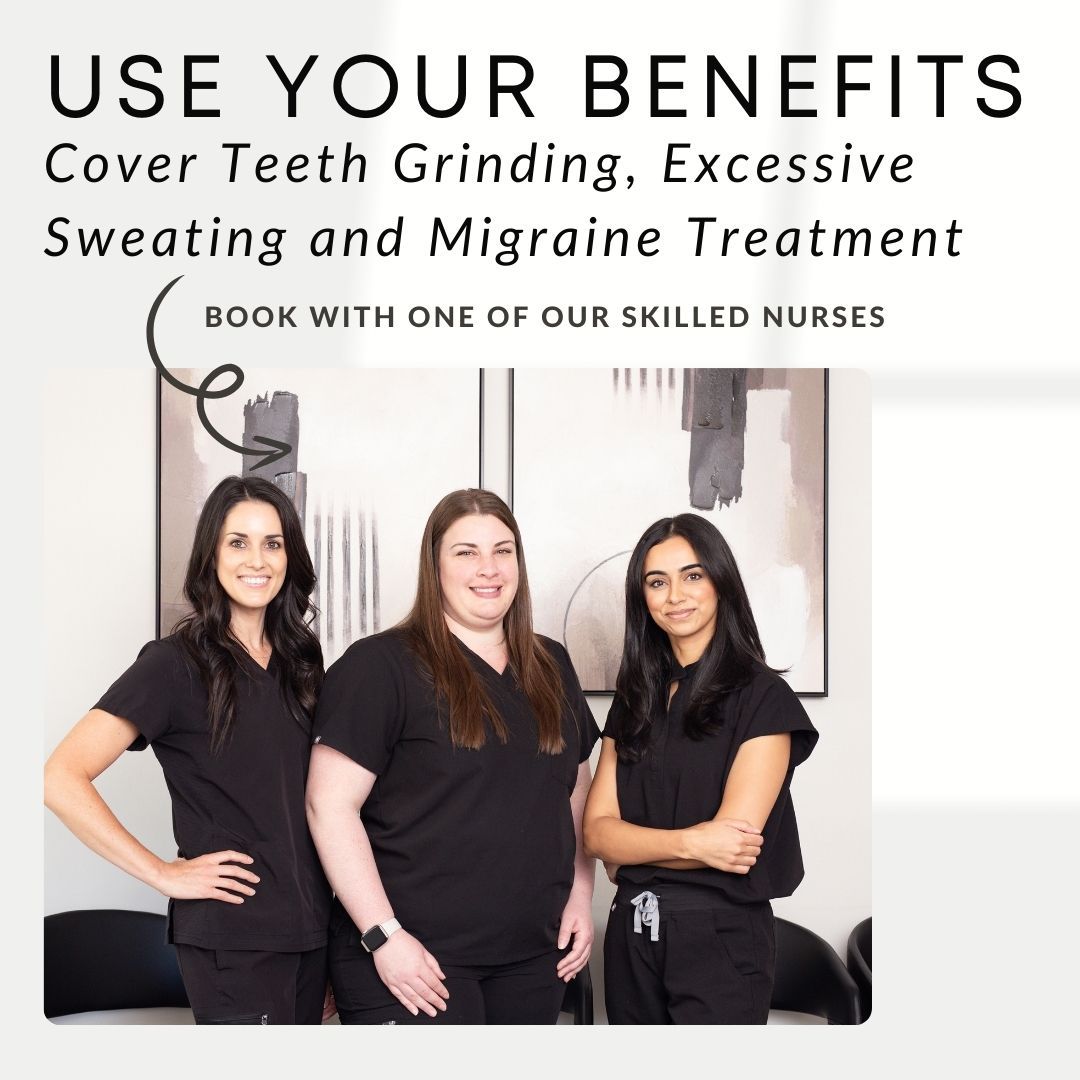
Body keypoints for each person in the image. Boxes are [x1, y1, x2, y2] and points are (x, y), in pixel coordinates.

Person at [45, 475, 332, 1025]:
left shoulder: (302, 663)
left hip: (311, 932)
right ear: (212, 555)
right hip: (233, 937)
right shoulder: (172, 664)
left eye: (273, 543)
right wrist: (161, 873)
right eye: (238, 542)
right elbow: (60, 775)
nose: (258, 560)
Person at [306, 488, 599, 1025]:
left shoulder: (551, 664)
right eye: (466, 552)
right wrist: (382, 935)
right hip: (414, 960)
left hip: (533, 957)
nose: (488, 569)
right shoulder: (379, 667)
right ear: (434, 565)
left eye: (502, 550)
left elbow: (576, 791)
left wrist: (582, 894)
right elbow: (328, 807)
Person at [583, 513, 818, 1024]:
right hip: (632, 932)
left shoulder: (763, 698)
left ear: (720, 582)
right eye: (657, 582)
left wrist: (638, 852)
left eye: (693, 575)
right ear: (641, 597)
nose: (675, 596)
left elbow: (734, 844)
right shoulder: (634, 699)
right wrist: (691, 843)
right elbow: (597, 835)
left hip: (721, 937)